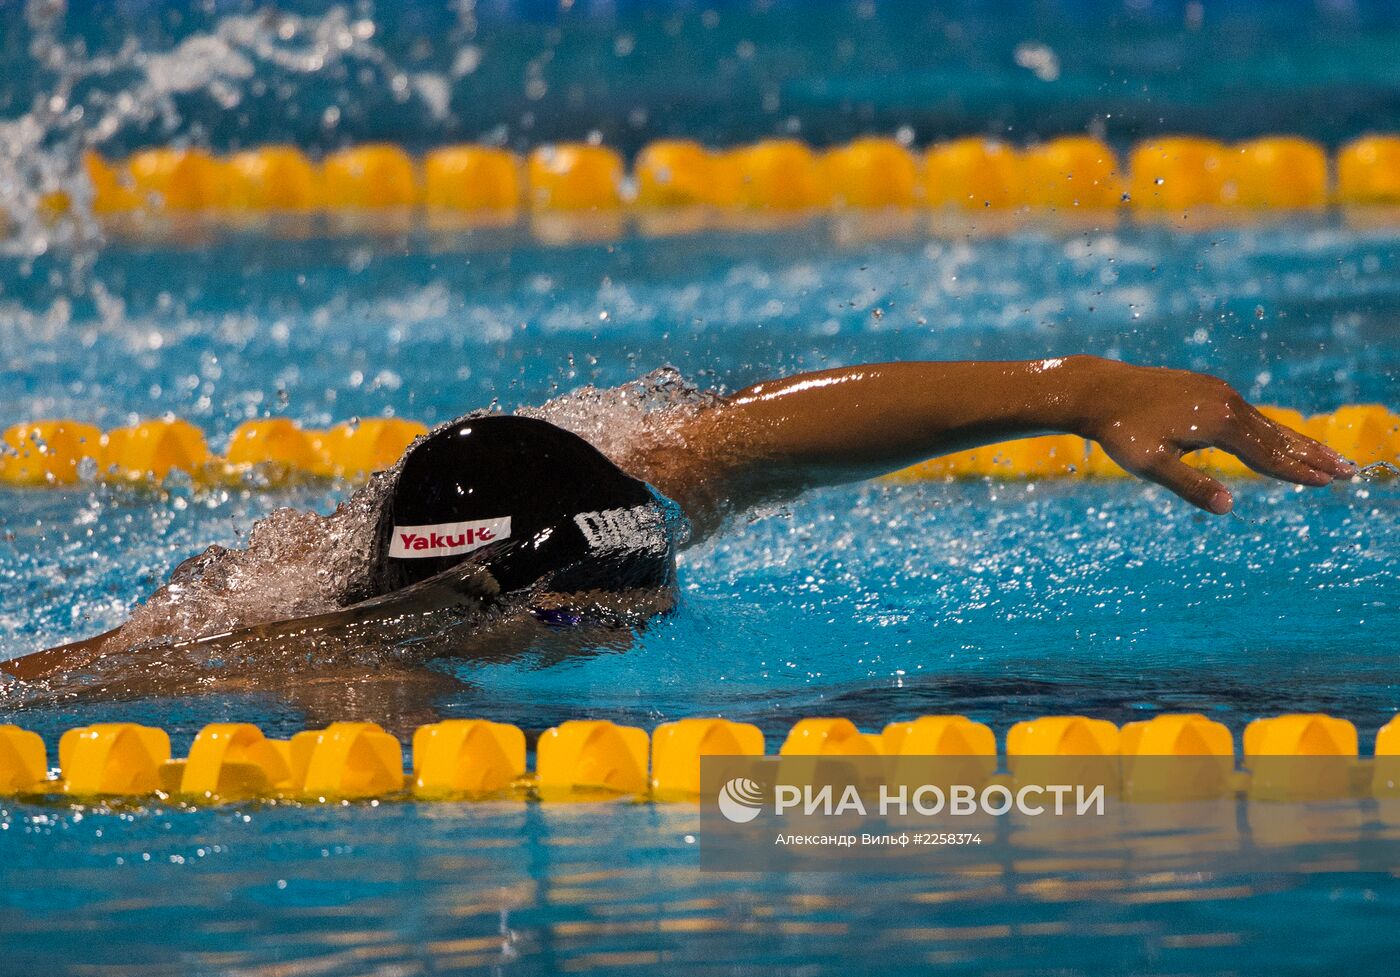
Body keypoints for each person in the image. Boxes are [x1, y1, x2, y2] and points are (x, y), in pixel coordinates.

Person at [1, 355, 1354, 691]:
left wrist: (1079, 392)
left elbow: (754, 435)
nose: (640, 632)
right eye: (606, 618)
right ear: (489, 607)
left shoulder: (608, 489)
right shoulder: (345, 668)